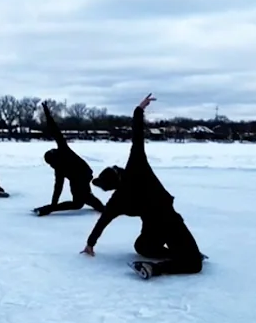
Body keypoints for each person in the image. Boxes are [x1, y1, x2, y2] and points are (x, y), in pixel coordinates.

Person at [81, 94, 204, 279]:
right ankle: (158, 267)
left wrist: (90, 244)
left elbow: (103, 220)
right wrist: (139, 110)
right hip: (168, 220)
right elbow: (137, 136)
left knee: (142, 247)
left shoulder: (117, 200)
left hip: (152, 228)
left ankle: (178, 254)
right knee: (194, 263)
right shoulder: (136, 166)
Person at [33, 101, 104, 216]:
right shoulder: (59, 165)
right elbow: (58, 187)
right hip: (77, 179)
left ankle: (104, 209)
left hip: (83, 174)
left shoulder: (63, 151)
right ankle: (103, 209)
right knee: (79, 202)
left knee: (82, 200)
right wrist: (52, 205)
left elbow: (55, 131)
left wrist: (47, 114)